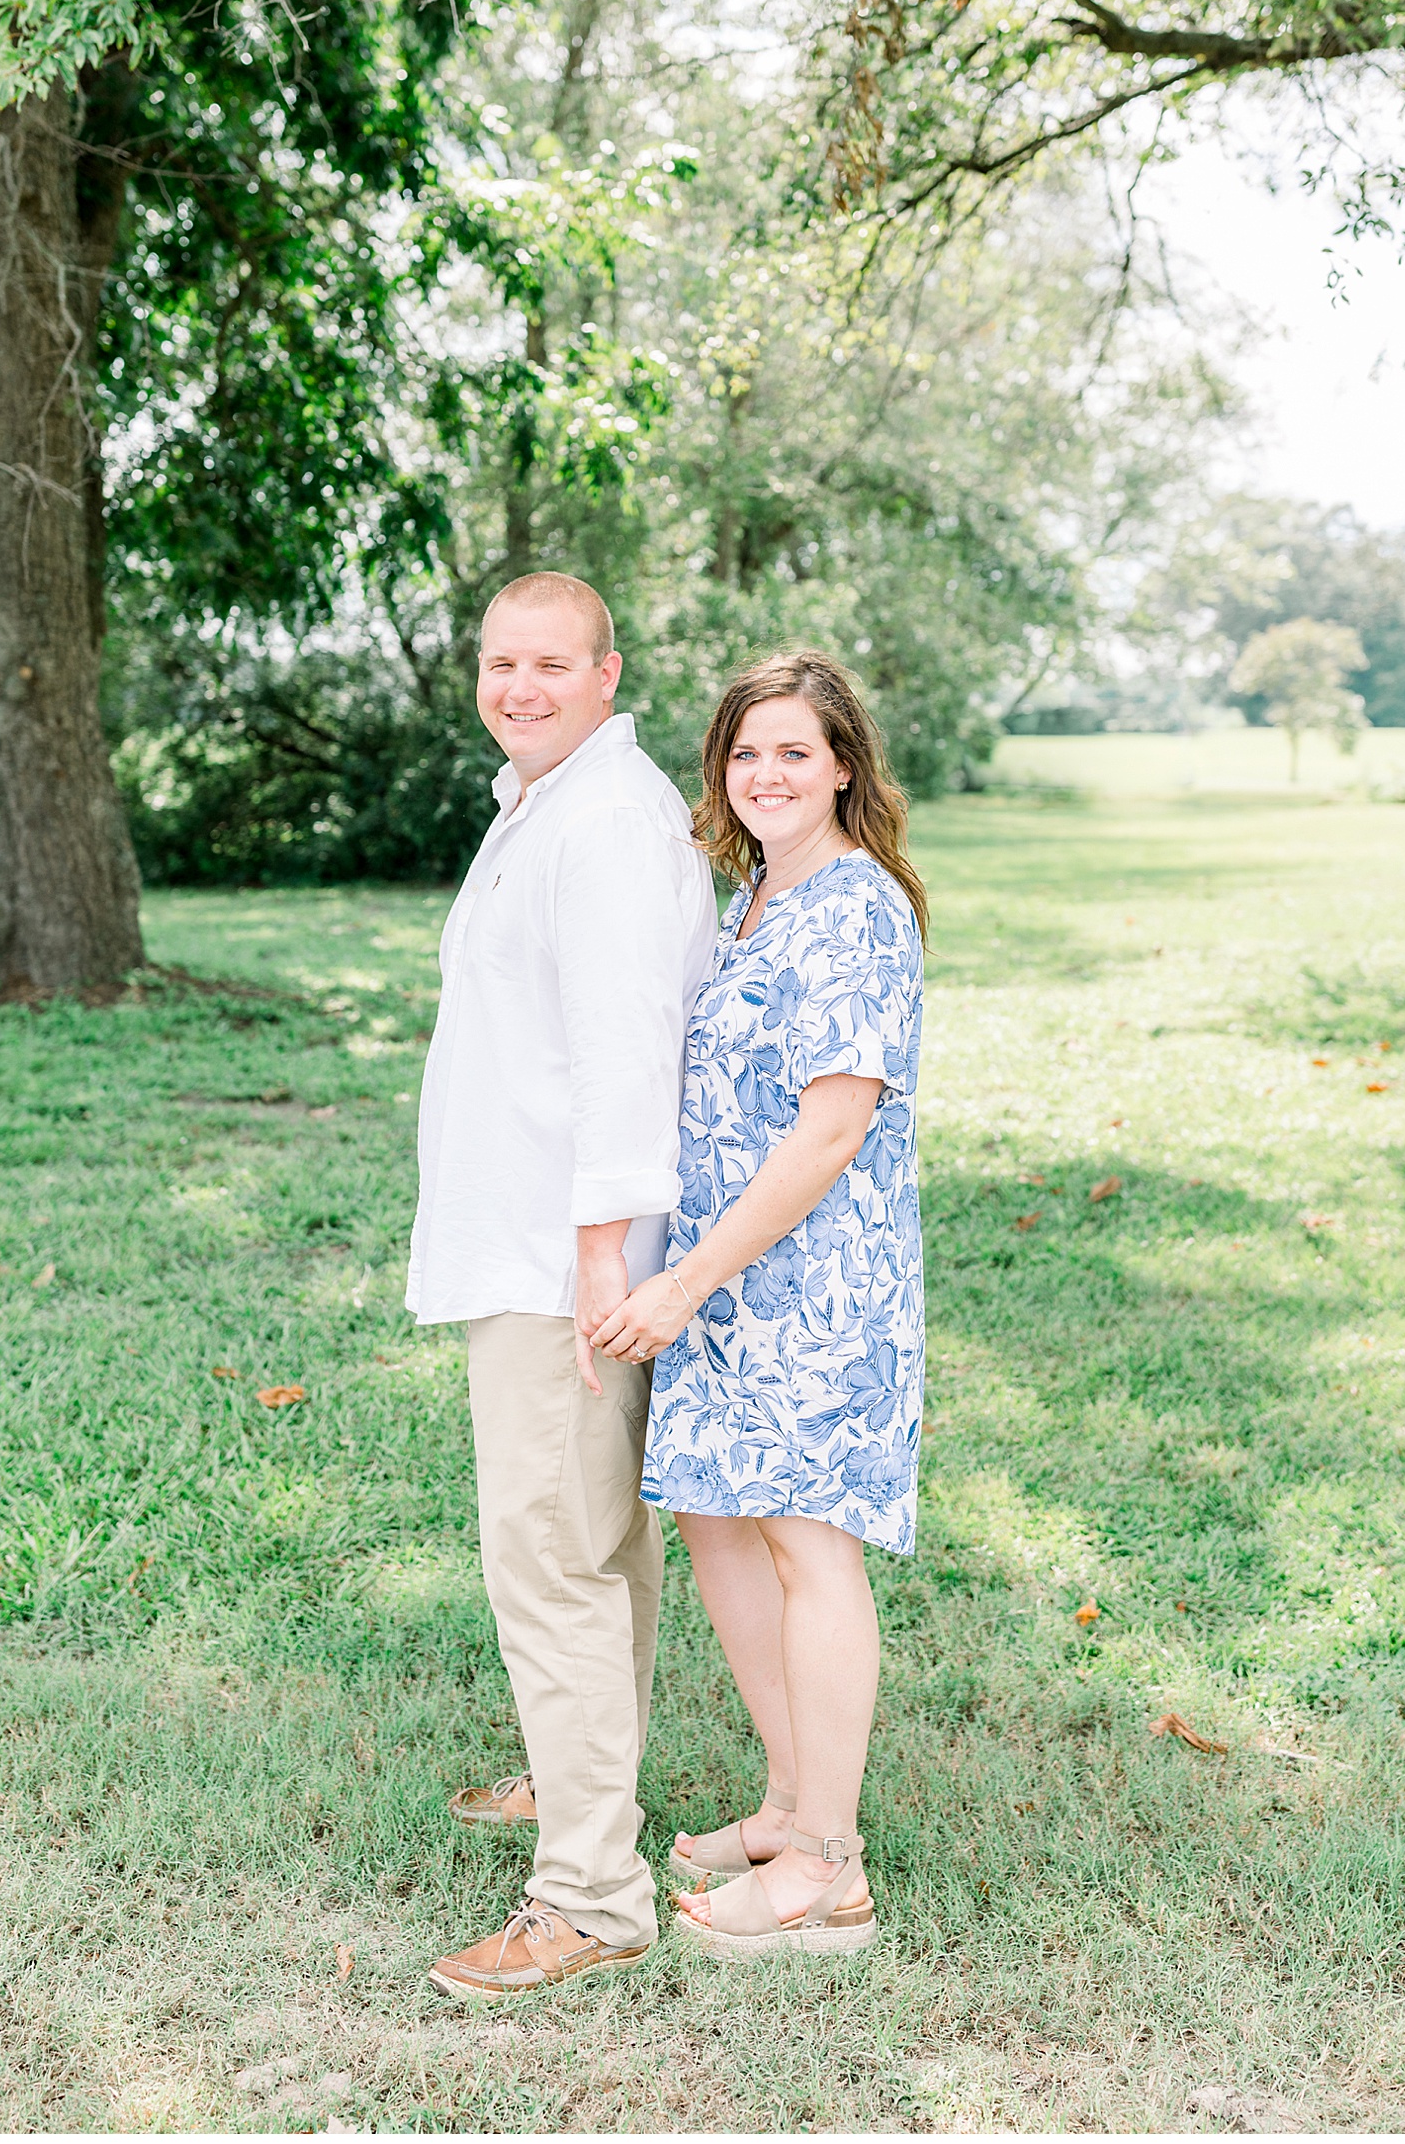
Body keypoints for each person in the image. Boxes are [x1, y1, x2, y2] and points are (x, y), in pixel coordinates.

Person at [408, 572, 717, 2002]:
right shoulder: (554, 794)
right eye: (499, 660)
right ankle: (573, 1773)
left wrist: (602, 1251)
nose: (518, 684)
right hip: (540, 1237)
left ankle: (591, 1893)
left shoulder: (599, 819)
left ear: (607, 670)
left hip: (561, 1256)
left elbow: (622, 1045)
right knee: (595, 1545)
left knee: (551, 1555)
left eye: (549, 662)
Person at [592, 649, 926, 1961]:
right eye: (746, 752)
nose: (768, 773)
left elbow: (832, 1126)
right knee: (719, 1525)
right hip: (725, 1284)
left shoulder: (853, 907)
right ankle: (792, 1801)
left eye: (795, 750)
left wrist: (681, 1278)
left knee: (808, 1544)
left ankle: (832, 1869)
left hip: (813, 1285)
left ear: (844, 764)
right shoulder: (752, 898)